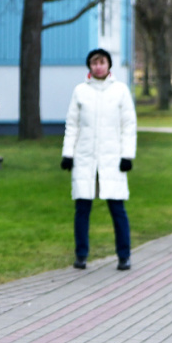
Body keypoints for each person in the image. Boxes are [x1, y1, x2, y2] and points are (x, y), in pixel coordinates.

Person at [61, 48, 137, 271]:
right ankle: (81, 254)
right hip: (85, 158)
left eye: (102, 62)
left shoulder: (120, 91)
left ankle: (124, 255)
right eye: (94, 63)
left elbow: (128, 125)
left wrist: (127, 155)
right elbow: (72, 125)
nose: (98, 67)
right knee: (82, 208)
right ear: (90, 66)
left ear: (109, 65)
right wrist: (68, 154)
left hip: (112, 158)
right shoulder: (80, 91)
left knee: (117, 208)